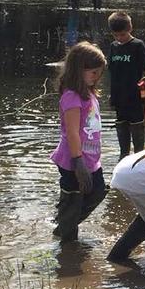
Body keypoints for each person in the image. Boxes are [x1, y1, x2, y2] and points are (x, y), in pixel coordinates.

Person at [50, 41, 107, 242]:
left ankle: (65, 222)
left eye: (99, 73)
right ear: (79, 70)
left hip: (91, 158)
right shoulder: (72, 97)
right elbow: (73, 132)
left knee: (98, 191)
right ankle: (66, 240)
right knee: (73, 199)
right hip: (74, 160)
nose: (97, 77)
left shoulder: (89, 93)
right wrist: (78, 161)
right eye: (93, 73)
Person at [107, 11, 145, 157]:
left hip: (134, 96)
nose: (120, 38)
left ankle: (139, 156)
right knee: (121, 125)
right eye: (116, 35)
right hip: (118, 96)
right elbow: (108, 69)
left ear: (130, 28)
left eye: (122, 35)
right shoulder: (113, 46)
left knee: (137, 126)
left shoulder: (137, 45)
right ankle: (123, 157)